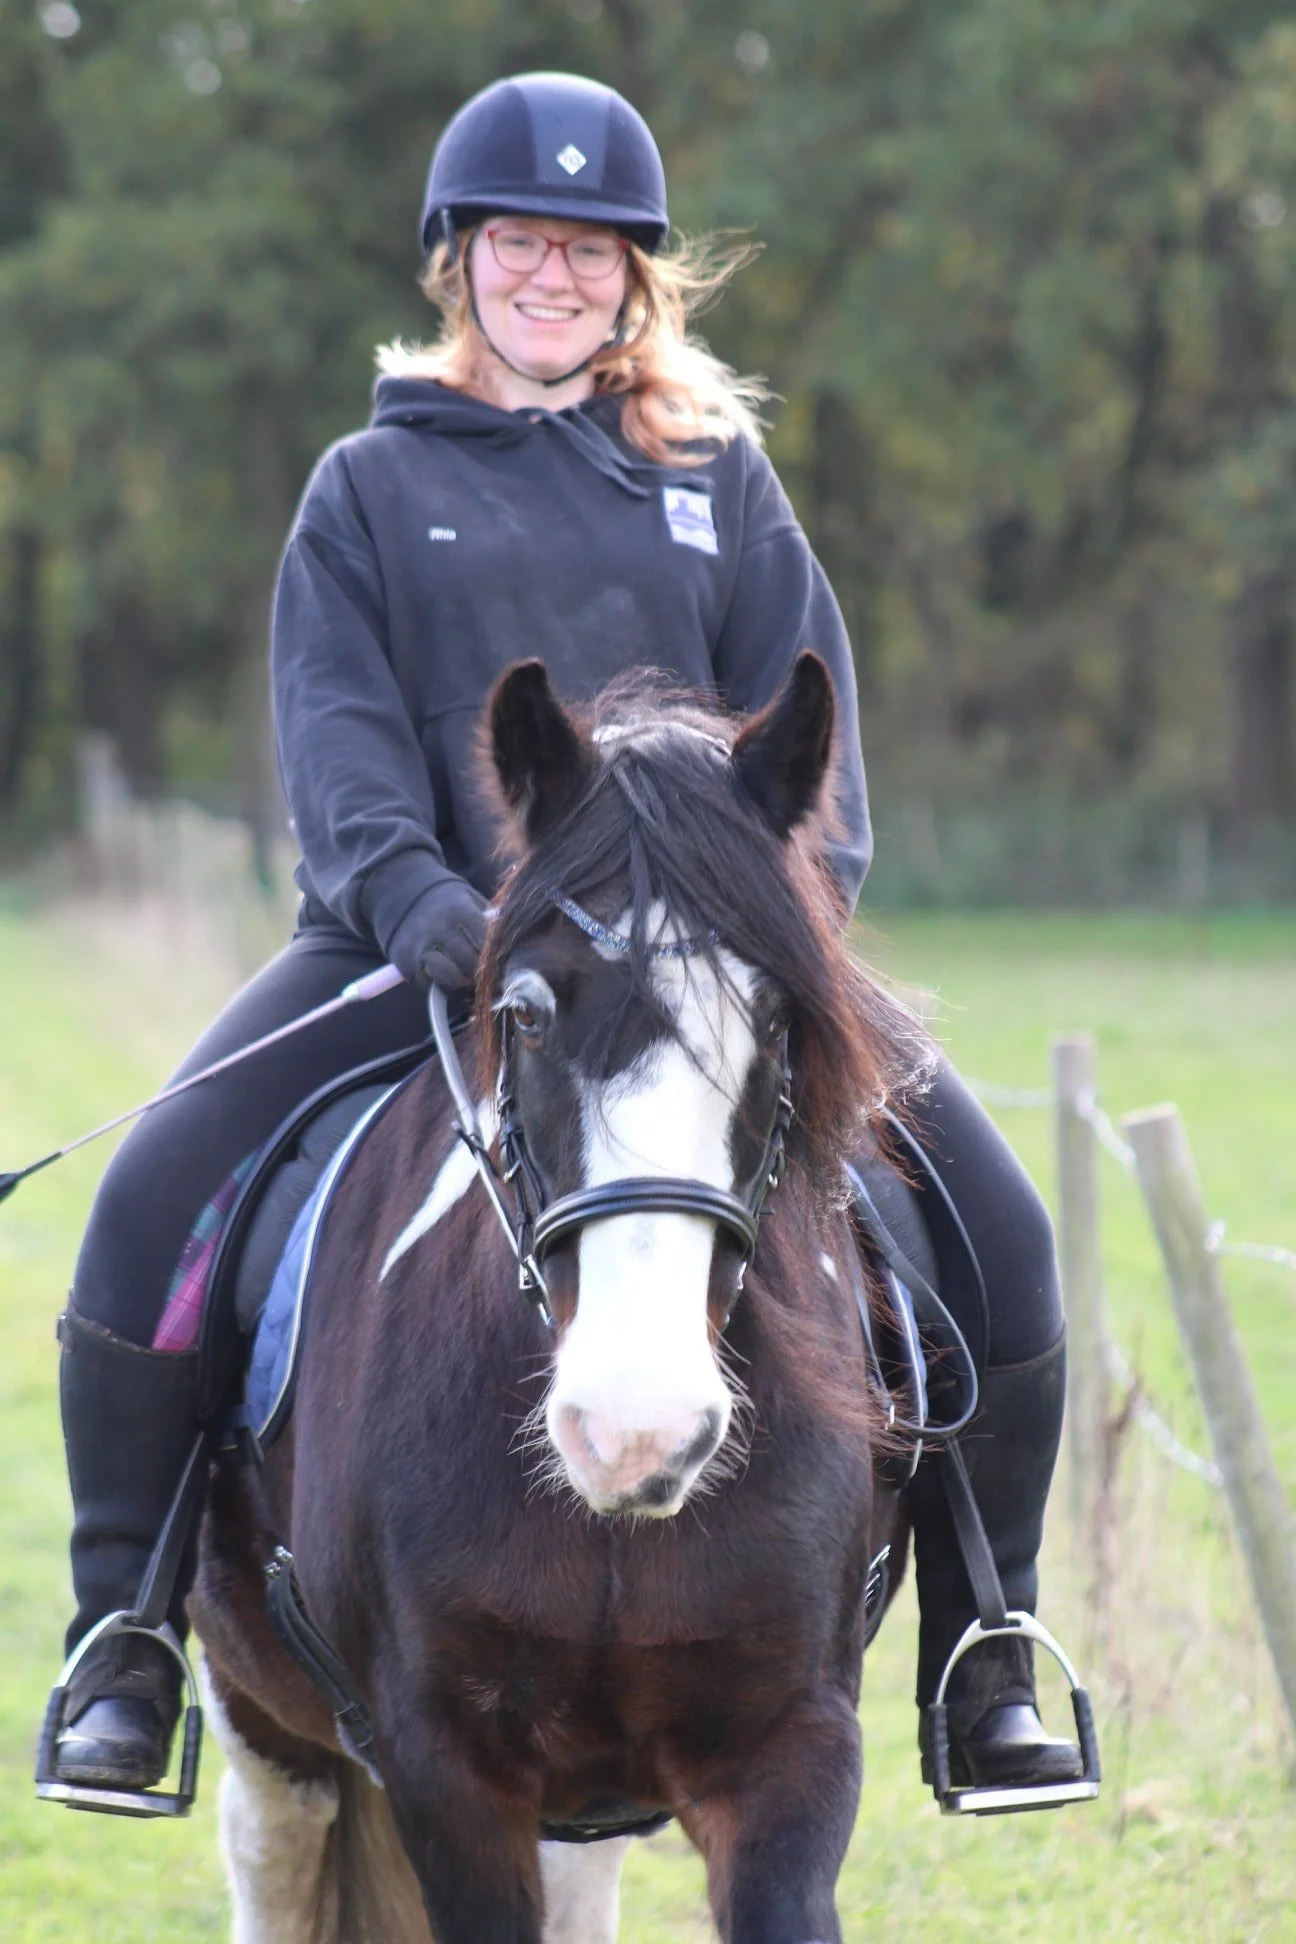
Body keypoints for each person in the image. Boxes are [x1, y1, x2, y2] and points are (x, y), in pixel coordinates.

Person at [44, 70, 1081, 1802]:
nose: (554, 276)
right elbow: (348, 767)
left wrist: (763, 937)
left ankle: (989, 1648)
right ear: (461, 261)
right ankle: (124, 1639)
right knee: (155, 1200)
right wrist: (462, 930)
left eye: (590, 252)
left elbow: (819, 765)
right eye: (521, 241)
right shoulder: (366, 487)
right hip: (424, 952)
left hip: (704, 980)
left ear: (634, 281)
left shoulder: (717, 481)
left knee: (1003, 1232)